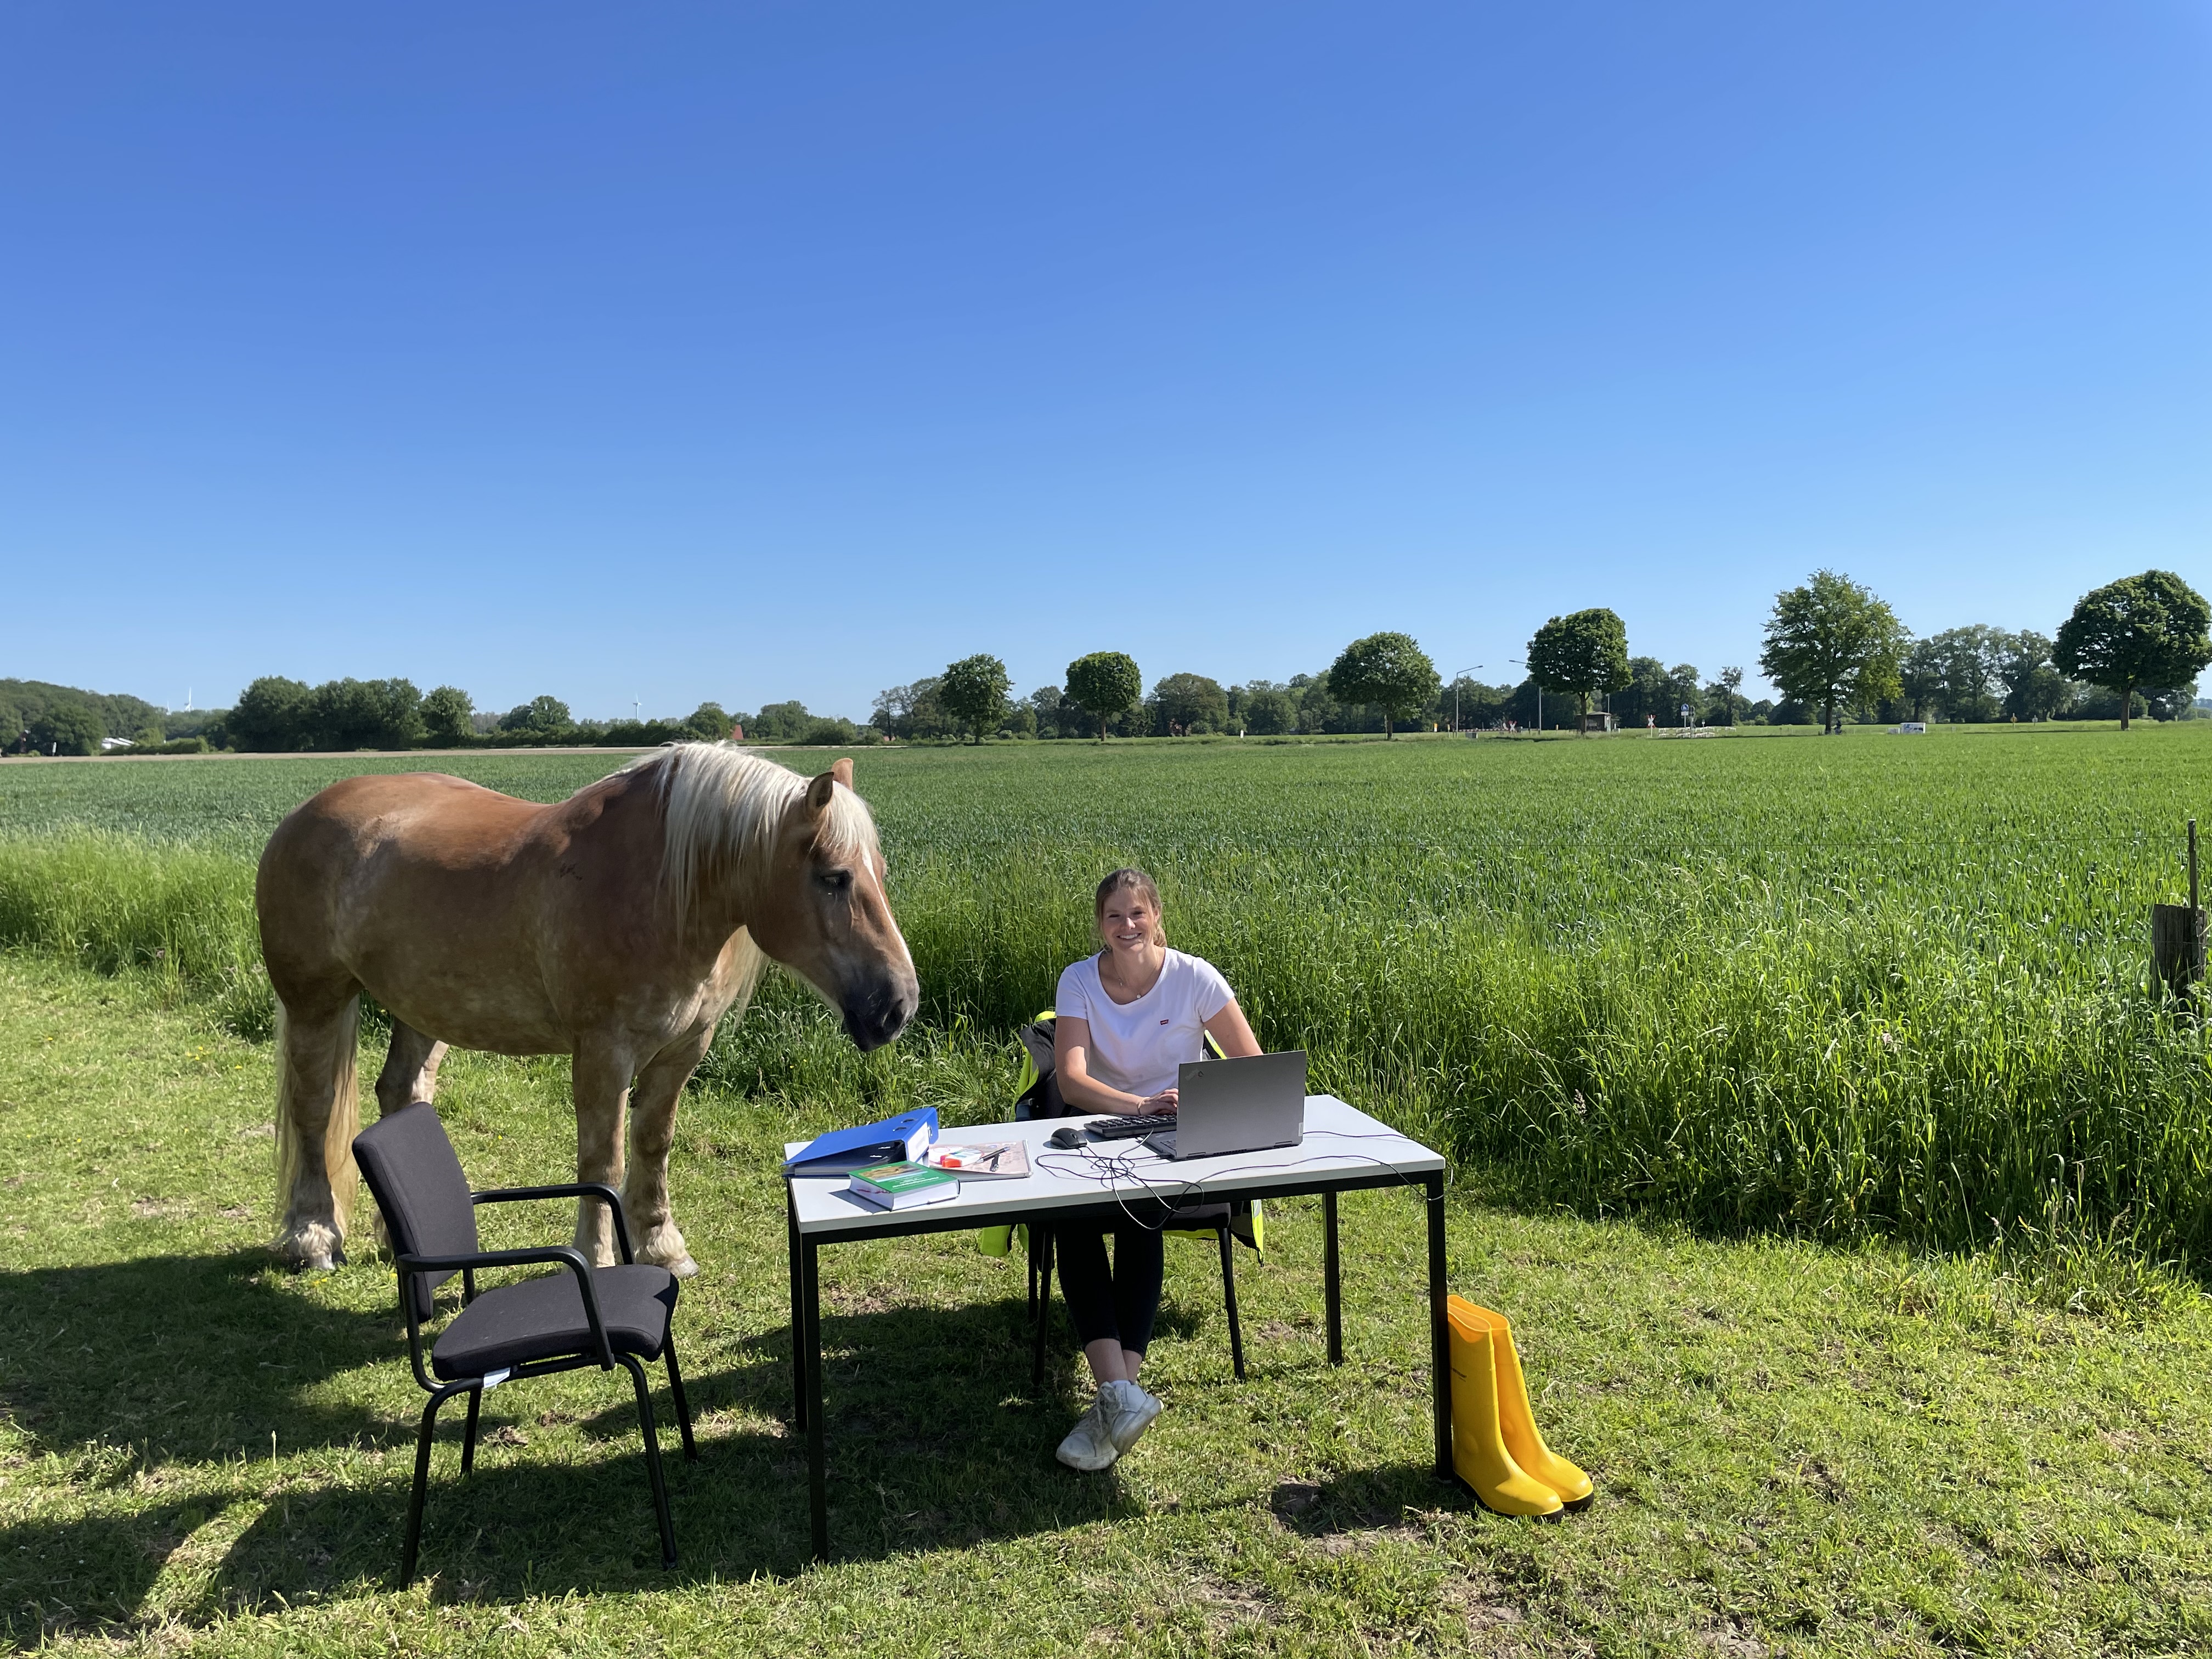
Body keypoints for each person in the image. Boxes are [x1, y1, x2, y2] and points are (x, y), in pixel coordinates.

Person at [1045, 867, 1261, 1471]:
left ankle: (1114, 1398)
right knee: (1074, 1220)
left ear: (1157, 916)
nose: (1127, 926)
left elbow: (1251, 1065)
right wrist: (1138, 1105)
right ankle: (1120, 1395)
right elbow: (1073, 1079)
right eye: (1114, 916)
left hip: (1181, 1140)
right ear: (1100, 925)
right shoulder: (1079, 981)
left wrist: (1192, 1099)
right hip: (1105, 1127)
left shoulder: (1195, 977)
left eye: (1137, 913)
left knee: (1141, 1209)